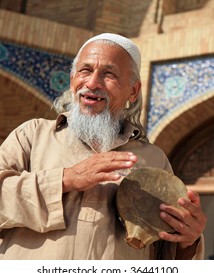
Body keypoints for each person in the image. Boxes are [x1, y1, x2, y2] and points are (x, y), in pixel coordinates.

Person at [0, 33, 206, 260]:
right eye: (85, 71)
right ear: (72, 80)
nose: (92, 83)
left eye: (109, 74)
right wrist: (66, 179)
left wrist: (189, 240)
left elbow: (162, 255)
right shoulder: (32, 135)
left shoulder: (154, 159)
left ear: (133, 91)